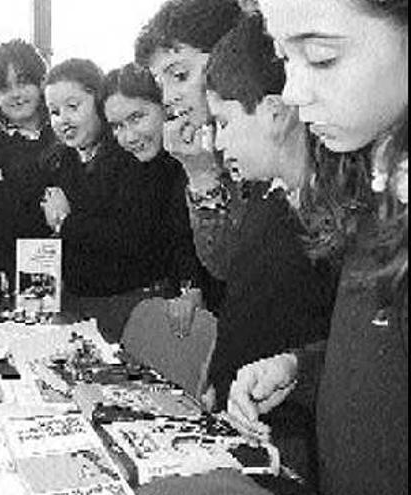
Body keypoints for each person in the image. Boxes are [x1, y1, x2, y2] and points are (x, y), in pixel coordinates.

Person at [226, 1, 408, 494]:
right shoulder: (374, 185)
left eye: (322, 57)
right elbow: (383, 359)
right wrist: (299, 369)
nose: (292, 93)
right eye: (286, 59)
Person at [204, 14, 342, 485]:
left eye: (223, 123)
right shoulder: (267, 198)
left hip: (302, 447)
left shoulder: (342, 214)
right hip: (251, 418)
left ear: (276, 112)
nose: (219, 142)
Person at [40, 59, 178, 341]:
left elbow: (131, 237)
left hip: (131, 306)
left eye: (73, 107)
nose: (63, 119)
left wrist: (66, 222)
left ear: (99, 105)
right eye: (54, 112)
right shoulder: (57, 161)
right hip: (75, 304)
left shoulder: (132, 154)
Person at [135, 0, 245, 313]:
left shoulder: (272, 136)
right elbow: (222, 263)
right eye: (161, 83)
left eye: (180, 75)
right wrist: (200, 173)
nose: (169, 97)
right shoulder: (203, 148)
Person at [102, 62, 203, 307]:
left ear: (165, 106)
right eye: (117, 126)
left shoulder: (198, 157)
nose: (128, 137)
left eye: (137, 118)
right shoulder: (122, 167)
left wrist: (191, 286)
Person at [0, 39, 55, 284]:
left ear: (42, 83)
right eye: (4, 88)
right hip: (7, 270)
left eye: (23, 82)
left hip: (60, 268)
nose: (16, 95)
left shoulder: (62, 135)